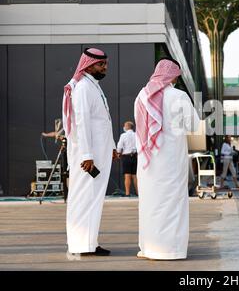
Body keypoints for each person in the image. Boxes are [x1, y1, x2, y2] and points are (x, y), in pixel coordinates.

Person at [134, 58, 200, 260]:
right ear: (173, 76)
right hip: (171, 160)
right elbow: (194, 126)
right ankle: (171, 250)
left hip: (147, 162)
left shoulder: (142, 96)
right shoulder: (179, 96)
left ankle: (149, 248)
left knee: (149, 203)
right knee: (173, 203)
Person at [63, 48, 118, 256]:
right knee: (83, 197)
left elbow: (104, 120)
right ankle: (80, 244)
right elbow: (82, 123)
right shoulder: (83, 88)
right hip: (89, 156)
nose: (104, 68)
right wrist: (87, 155)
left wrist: (111, 146)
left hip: (99, 153)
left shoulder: (93, 86)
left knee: (93, 198)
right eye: (100, 64)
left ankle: (90, 243)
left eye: (105, 64)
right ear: (88, 65)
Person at [117, 121, 138, 196]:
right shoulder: (136, 135)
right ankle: (138, 193)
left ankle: (127, 193)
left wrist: (118, 153)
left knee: (127, 175)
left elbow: (120, 146)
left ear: (127, 127)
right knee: (135, 176)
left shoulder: (123, 135)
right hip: (135, 156)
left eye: (124, 126)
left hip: (126, 156)